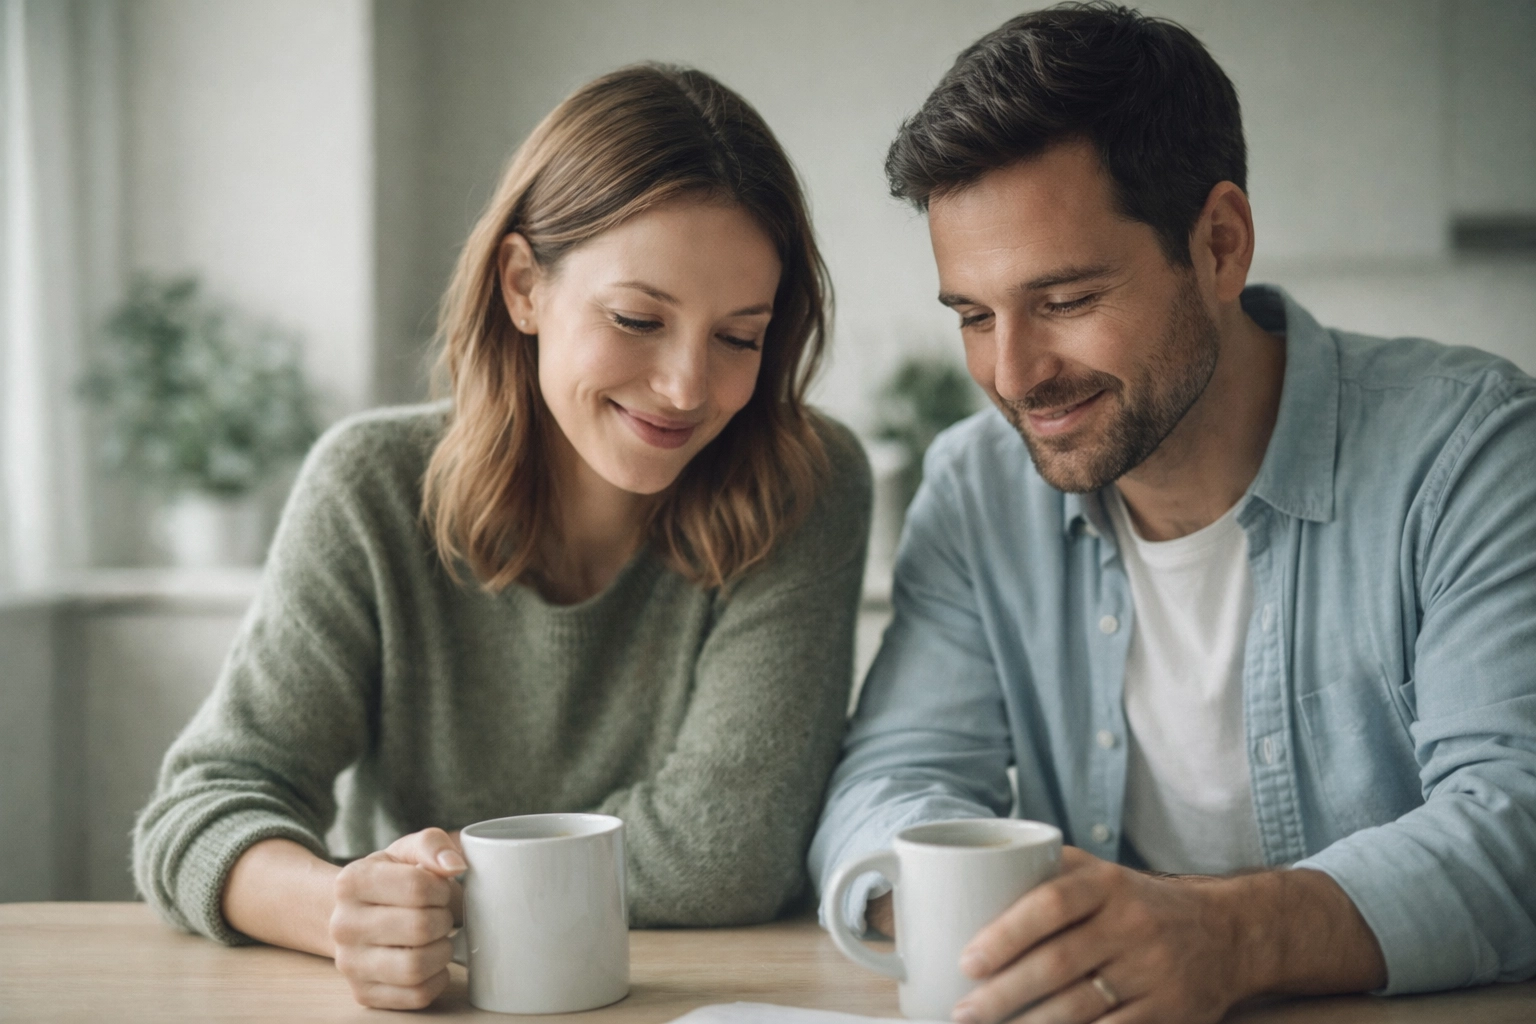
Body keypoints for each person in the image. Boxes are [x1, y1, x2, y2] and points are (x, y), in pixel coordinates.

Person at [809, 5, 1536, 1023]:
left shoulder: (1468, 451)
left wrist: (1228, 937)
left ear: (1221, 245)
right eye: (974, 315)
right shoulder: (978, 487)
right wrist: (997, 916)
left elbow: (1517, 828)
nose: (1012, 375)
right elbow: (887, 786)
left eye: (1063, 300)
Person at [134, 63, 871, 1011]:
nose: (690, 387)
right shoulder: (368, 486)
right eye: (637, 318)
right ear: (524, 286)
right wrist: (342, 909)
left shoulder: (802, 484)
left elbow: (725, 857)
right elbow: (199, 809)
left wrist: (438, 899)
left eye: (739, 337)